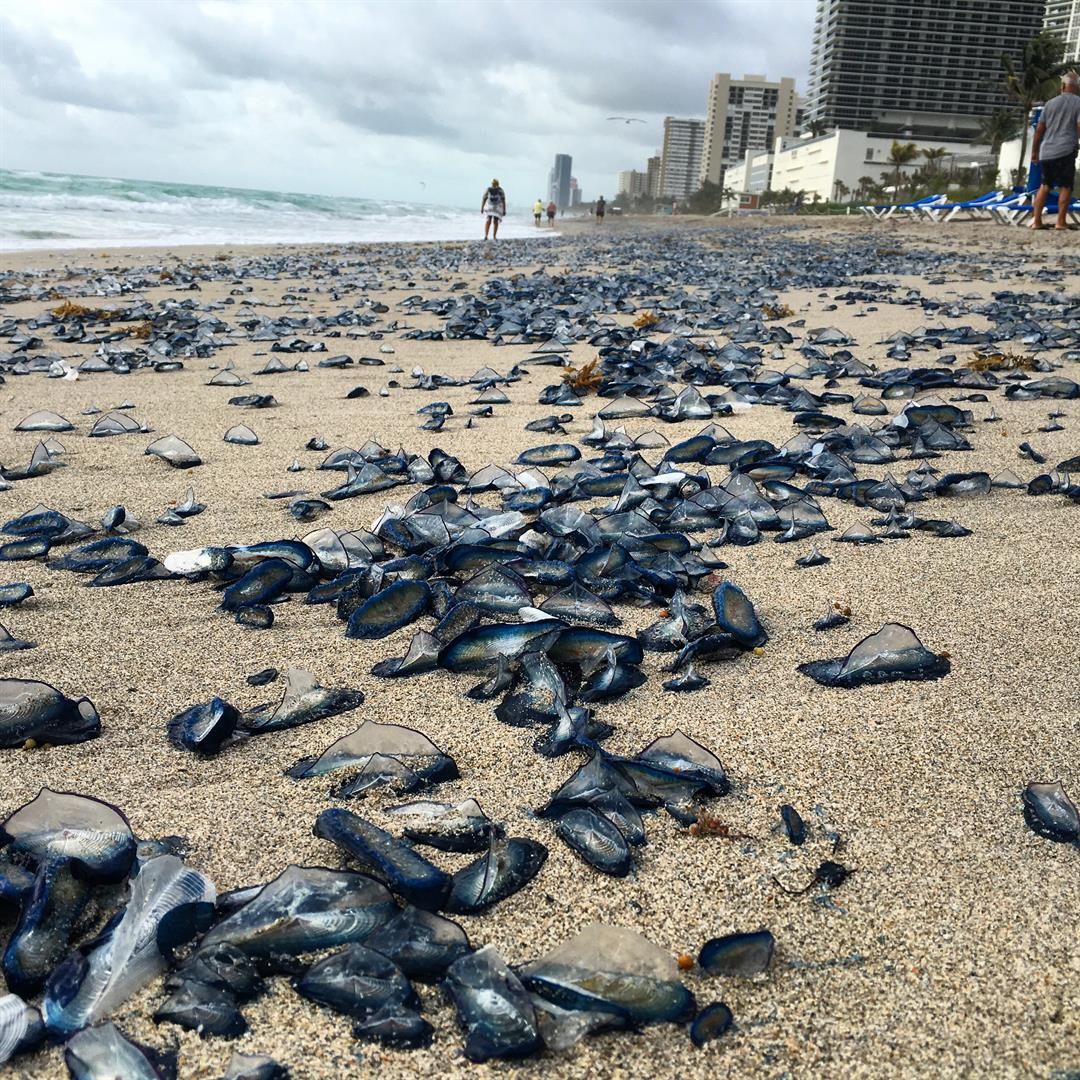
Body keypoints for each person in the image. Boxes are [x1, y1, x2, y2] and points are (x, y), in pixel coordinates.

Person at [1030, 71, 1080, 231]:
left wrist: (1034, 151)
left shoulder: (1050, 103)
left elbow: (1039, 130)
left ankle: (1036, 221)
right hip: (1066, 149)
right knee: (1066, 186)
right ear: (1076, 87)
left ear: (1062, 86)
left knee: (1045, 185)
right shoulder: (1079, 103)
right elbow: (1079, 126)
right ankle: (1060, 222)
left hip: (1047, 151)